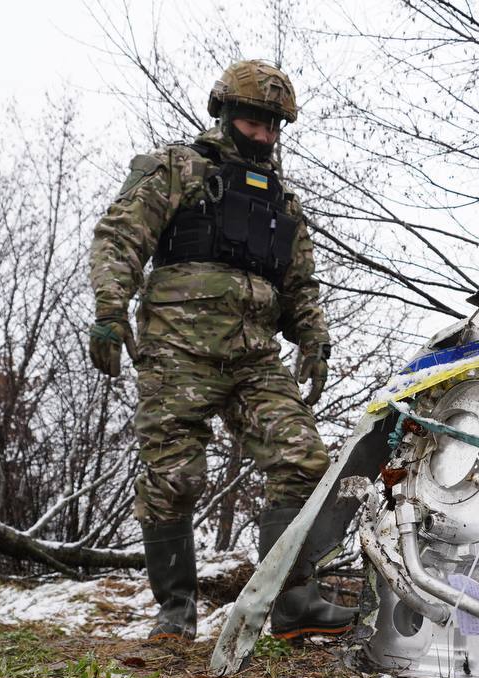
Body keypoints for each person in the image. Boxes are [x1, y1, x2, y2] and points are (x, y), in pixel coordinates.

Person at [87, 60, 355, 641]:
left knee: (304, 461)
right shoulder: (177, 167)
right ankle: (175, 613)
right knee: (174, 477)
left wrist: (314, 338)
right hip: (177, 351)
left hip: (255, 358)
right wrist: (110, 312)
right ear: (227, 114)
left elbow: (300, 283)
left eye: (274, 126)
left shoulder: (282, 201)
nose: (264, 135)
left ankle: (287, 601)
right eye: (255, 122)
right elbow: (119, 238)